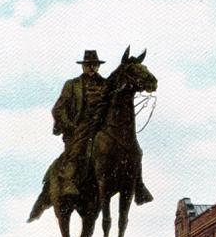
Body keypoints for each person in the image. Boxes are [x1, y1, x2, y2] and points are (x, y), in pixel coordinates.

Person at [52, 49, 152, 203]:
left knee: (135, 150)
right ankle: (68, 182)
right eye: (88, 65)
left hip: (103, 123)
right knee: (78, 147)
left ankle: (139, 185)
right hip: (81, 125)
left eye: (94, 65)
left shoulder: (107, 83)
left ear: (98, 66)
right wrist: (69, 125)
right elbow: (58, 108)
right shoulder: (72, 85)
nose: (91, 67)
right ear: (83, 66)